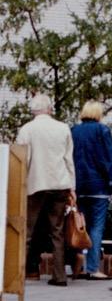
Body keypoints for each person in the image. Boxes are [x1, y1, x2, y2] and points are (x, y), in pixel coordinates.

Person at [16, 94, 75, 286]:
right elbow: (68, 159)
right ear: (49, 109)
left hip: (36, 183)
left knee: (27, 231)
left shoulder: (27, 129)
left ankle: (19, 275)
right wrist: (71, 186)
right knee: (57, 231)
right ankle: (59, 276)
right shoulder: (63, 128)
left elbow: (22, 158)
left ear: (33, 110)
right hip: (59, 183)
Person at [71, 100, 112, 281]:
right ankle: (92, 268)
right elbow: (109, 158)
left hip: (79, 186)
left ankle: (78, 266)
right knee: (96, 227)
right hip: (99, 186)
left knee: (80, 226)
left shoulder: (74, 131)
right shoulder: (103, 130)